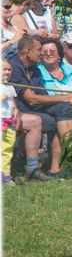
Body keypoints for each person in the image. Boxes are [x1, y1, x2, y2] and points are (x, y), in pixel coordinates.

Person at [7, 35, 72, 180]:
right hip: (18, 112)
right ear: (28, 51)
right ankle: (67, 162)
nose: (42, 53)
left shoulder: (34, 69)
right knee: (58, 113)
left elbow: (42, 97)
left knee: (62, 109)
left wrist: (66, 102)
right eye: (39, 49)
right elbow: (32, 99)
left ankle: (57, 169)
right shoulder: (13, 66)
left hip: (32, 110)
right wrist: (64, 96)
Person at [37, 37, 72, 121]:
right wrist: (67, 99)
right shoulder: (38, 72)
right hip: (58, 118)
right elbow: (43, 98)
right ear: (41, 56)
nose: (48, 54)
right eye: (45, 52)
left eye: (52, 52)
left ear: (59, 55)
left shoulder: (69, 68)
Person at [1, 57, 18, 186]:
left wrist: (16, 110)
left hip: (10, 121)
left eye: (9, 69)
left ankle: (6, 175)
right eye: (4, 69)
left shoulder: (10, 87)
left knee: (8, 149)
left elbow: (13, 102)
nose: (7, 72)